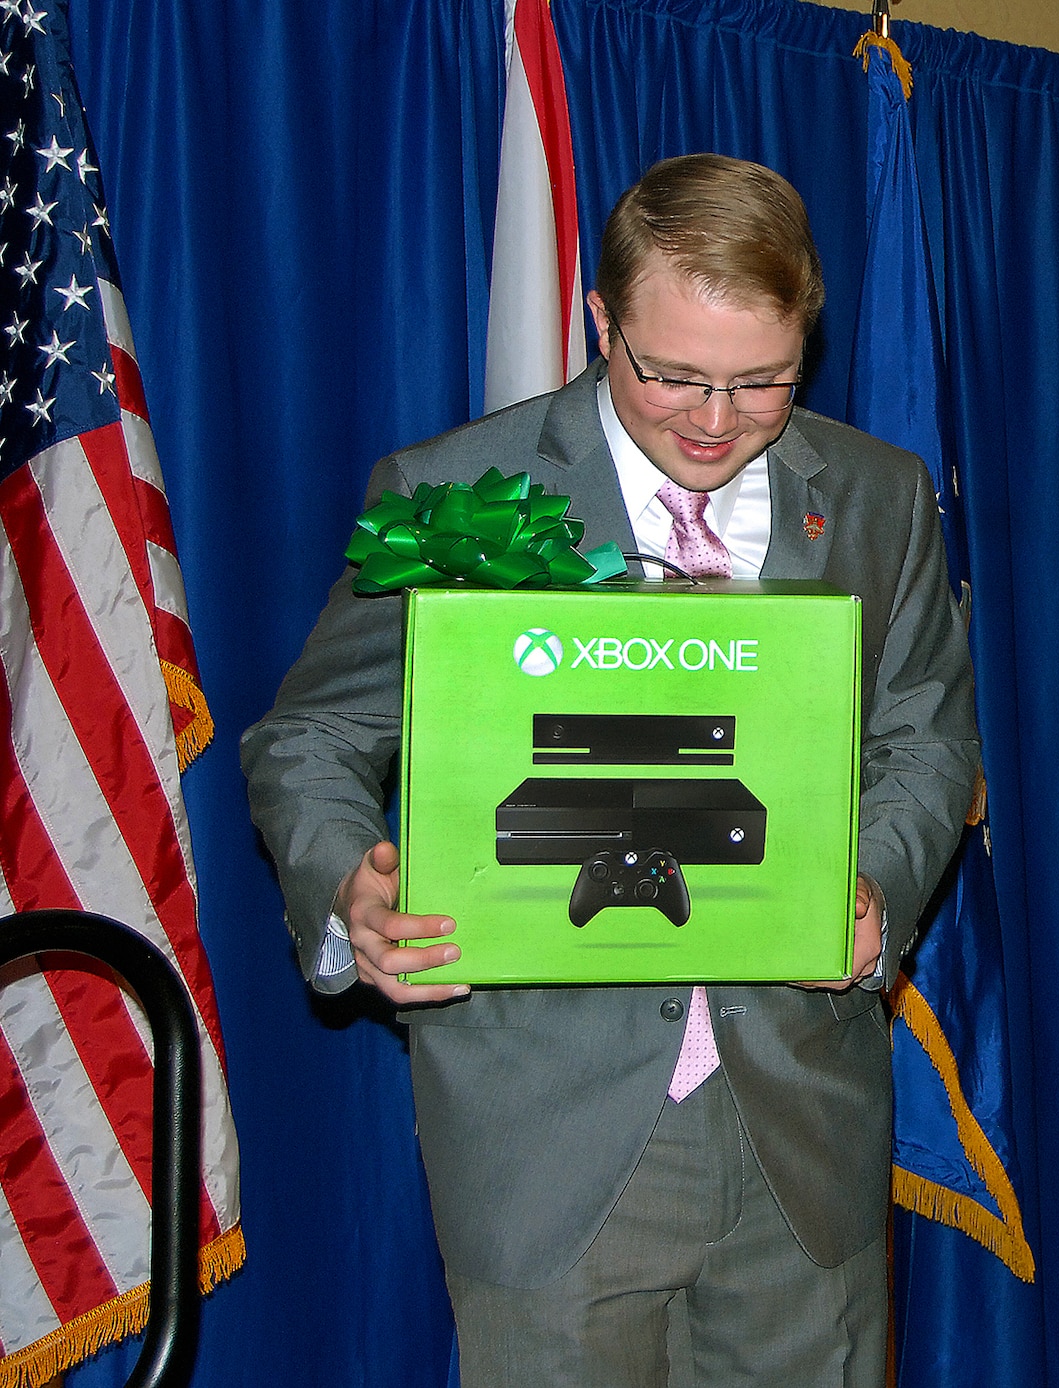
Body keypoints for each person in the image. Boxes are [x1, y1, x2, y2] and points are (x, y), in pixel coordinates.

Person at [242, 154, 978, 1384]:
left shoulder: (876, 495)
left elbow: (927, 737)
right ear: (601, 321)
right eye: (671, 374)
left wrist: (874, 891)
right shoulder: (458, 494)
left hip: (801, 1121)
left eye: (762, 381)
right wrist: (348, 890)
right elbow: (308, 735)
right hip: (544, 1140)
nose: (713, 418)